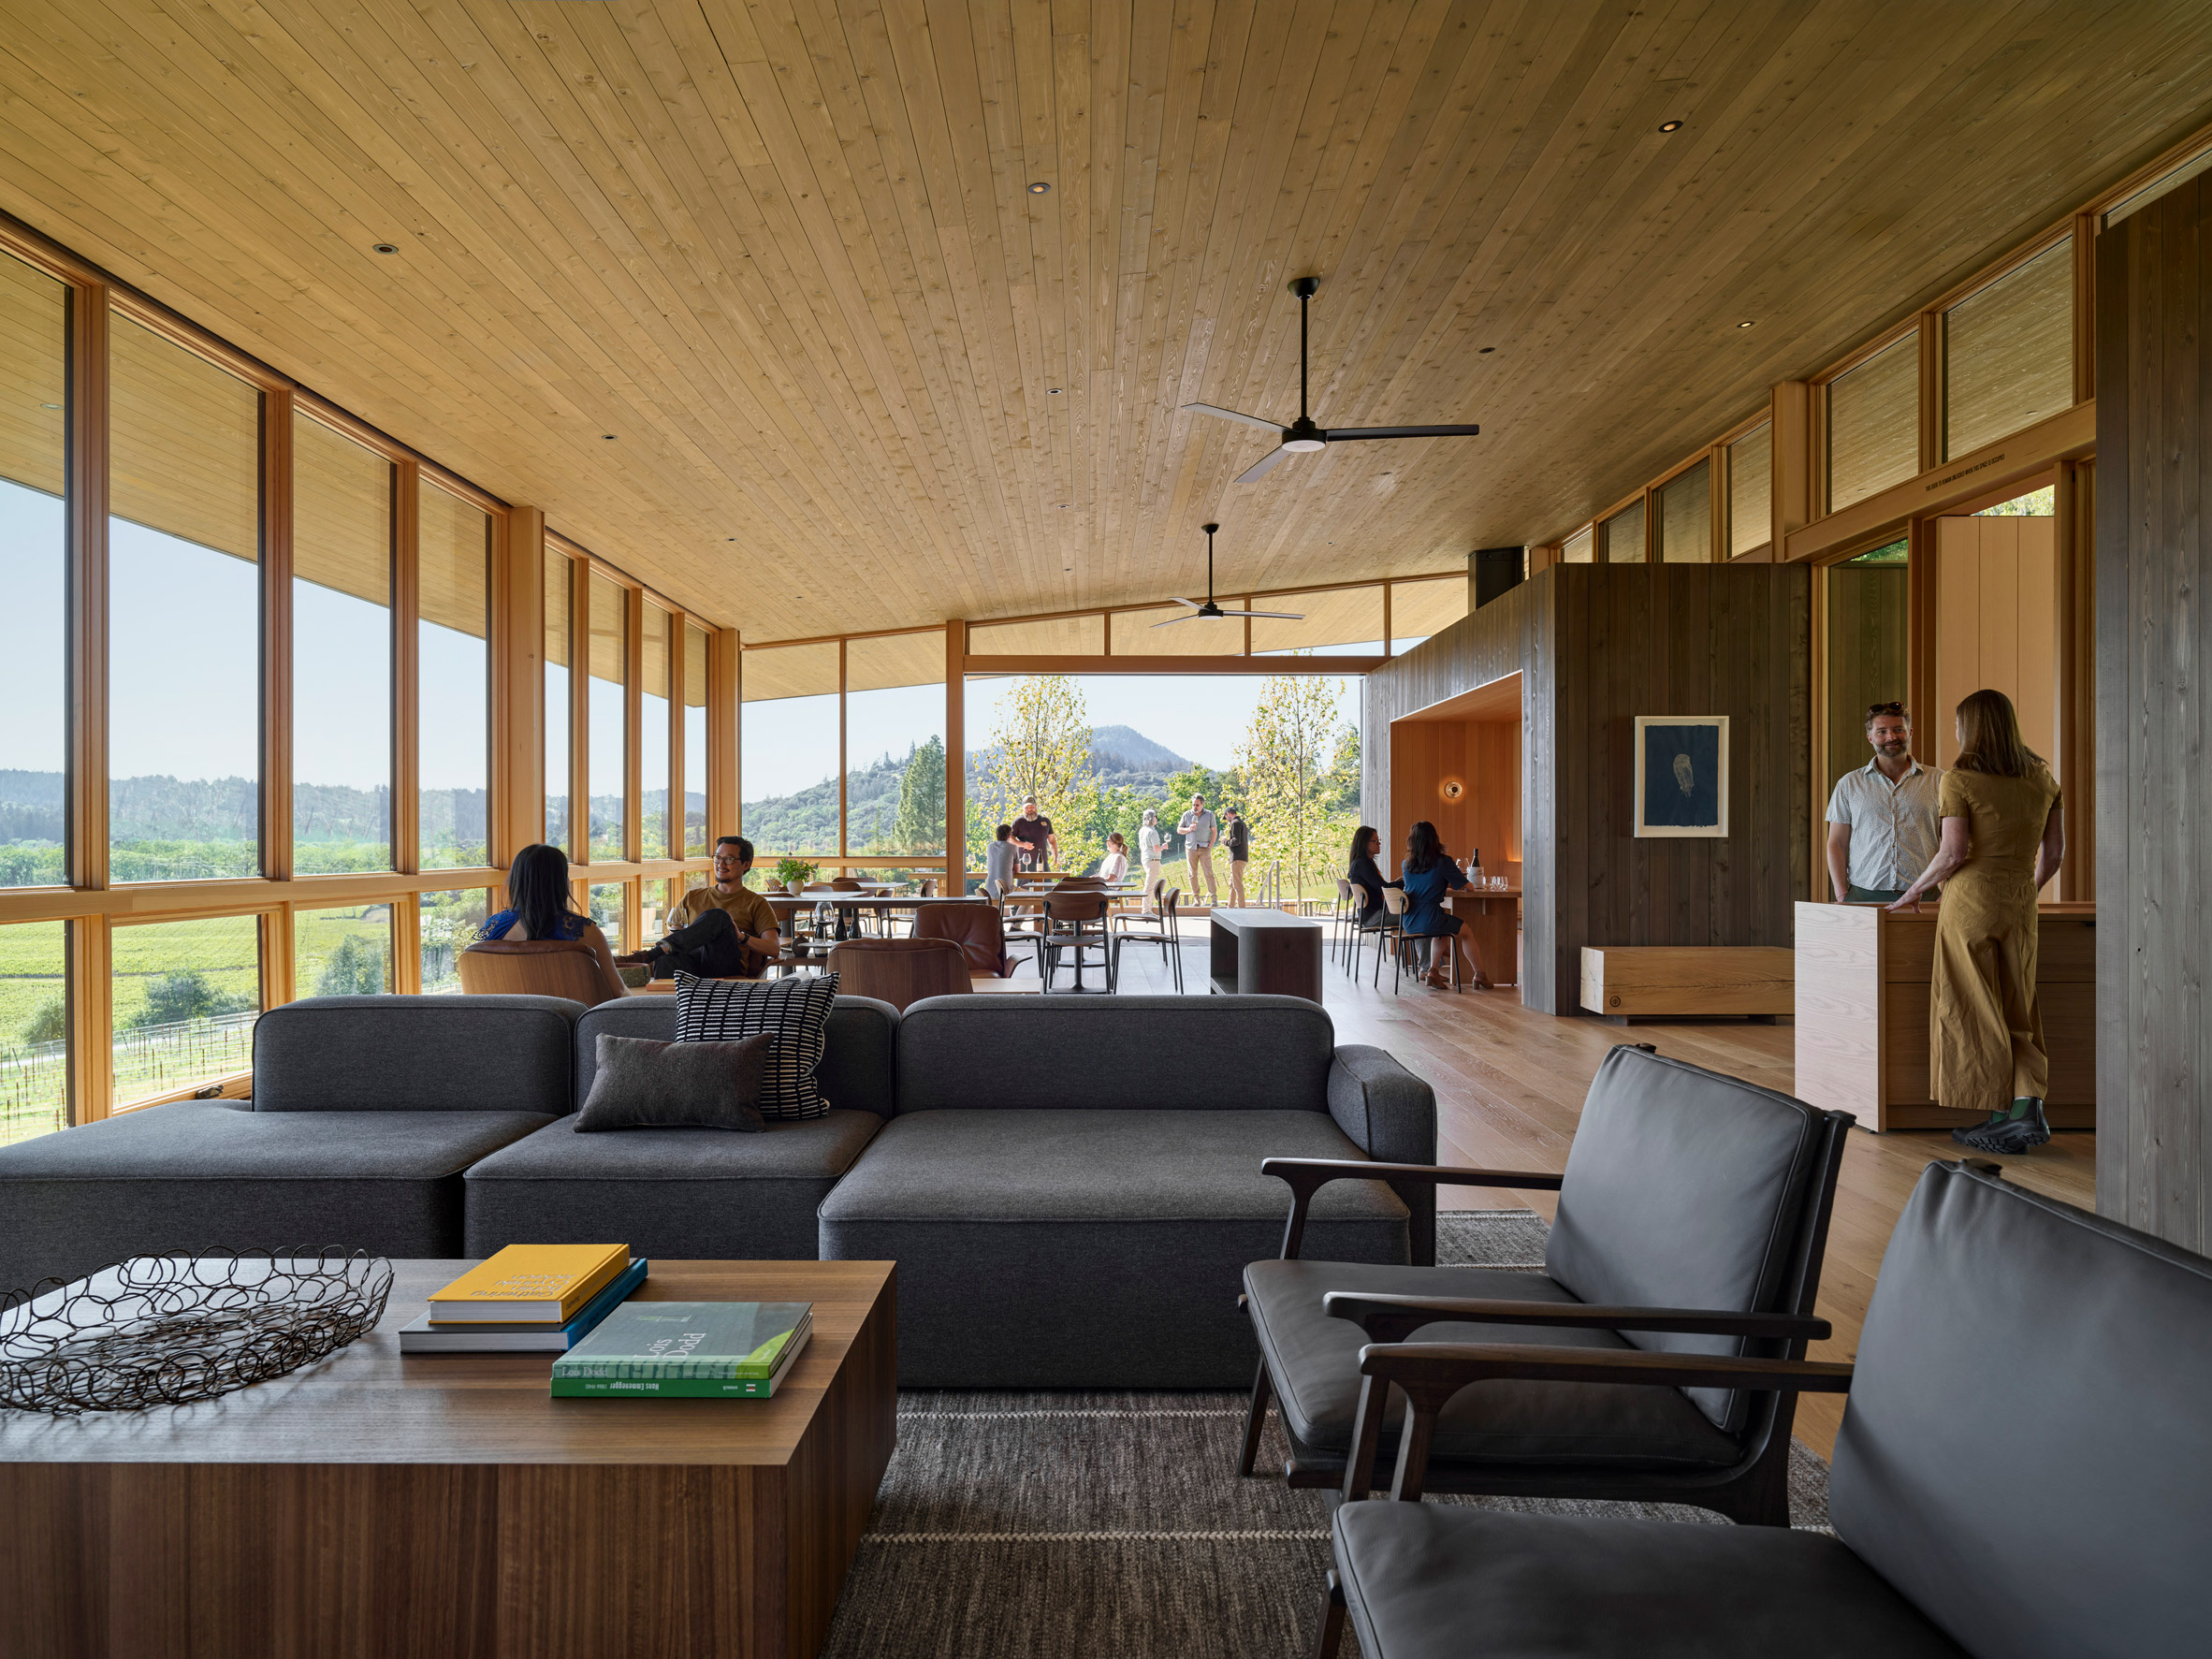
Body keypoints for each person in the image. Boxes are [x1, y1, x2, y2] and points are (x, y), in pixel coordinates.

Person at [1886, 689, 2064, 1155]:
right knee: (2019, 1005)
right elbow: (2054, 855)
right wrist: (2026, 891)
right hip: (2020, 902)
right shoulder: (2043, 777)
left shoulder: (1960, 779)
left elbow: (1952, 853)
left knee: (1974, 1003)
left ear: (1971, 727)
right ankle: (2023, 1108)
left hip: (1970, 903)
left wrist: (1913, 890)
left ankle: (2000, 1110)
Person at [618, 835, 781, 980]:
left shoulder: (757, 903)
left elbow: (774, 948)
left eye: (729, 859)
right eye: (718, 857)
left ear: (746, 865)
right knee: (666, 958)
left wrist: (740, 937)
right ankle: (665, 1004)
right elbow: (675, 935)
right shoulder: (692, 897)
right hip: (691, 964)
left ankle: (649, 955)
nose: (721, 864)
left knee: (719, 917)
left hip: (722, 966)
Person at [1826, 701, 1943, 903]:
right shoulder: (1849, 784)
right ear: (1870, 737)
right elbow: (1837, 842)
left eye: (1898, 729)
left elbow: (1954, 842)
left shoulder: (1939, 780)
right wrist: (1841, 894)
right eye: (1882, 732)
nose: (1891, 737)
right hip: (1862, 896)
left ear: (1910, 732)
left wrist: (1946, 893)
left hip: (1927, 896)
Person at [481, 843, 629, 997]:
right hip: (574, 1012)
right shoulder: (585, 931)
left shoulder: (494, 926)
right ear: (561, 882)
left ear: (515, 881)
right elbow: (616, 990)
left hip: (512, 1012)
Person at [1399, 820, 1477, 989]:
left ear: (1412, 840)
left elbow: (1422, 884)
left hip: (1409, 920)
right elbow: (1469, 887)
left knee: (1441, 933)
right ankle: (1479, 974)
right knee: (1466, 932)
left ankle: (1432, 971)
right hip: (1431, 918)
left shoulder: (1406, 864)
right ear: (1434, 839)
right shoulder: (1443, 861)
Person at [1347, 824, 1394, 926]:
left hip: (1368, 915)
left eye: (1378, 840)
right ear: (1364, 844)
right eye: (1375, 841)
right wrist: (1404, 882)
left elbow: (1381, 886)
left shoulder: (1359, 863)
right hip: (1375, 916)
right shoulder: (1363, 864)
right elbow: (1384, 888)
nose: (1379, 843)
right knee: (1414, 916)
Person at [1178, 793, 1219, 906]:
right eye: (1193, 805)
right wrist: (1188, 829)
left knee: (1208, 873)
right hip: (1191, 848)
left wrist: (1210, 846)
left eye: (1197, 805)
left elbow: (1214, 831)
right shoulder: (1186, 815)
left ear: (1202, 804)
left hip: (1205, 847)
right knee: (1192, 874)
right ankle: (1196, 899)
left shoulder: (1209, 814)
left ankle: (1214, 898)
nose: (1195, 807)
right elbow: (1179, 830)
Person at [1011, 796, 1057, 873]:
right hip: (1024, 863)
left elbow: (1052, 841)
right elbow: (1010, 839)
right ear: (1023, 808)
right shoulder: (1018, 822)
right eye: (1027, 808)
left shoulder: (1045, 821)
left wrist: (1056, 857)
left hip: (1043, 862)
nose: (1030, 810)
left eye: (1031, 807)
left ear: (1035, 805)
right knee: (1023, 882)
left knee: (1048, 881)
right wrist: (1023, 844)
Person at [1223, 807, 1251, 907]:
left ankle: (1241, 909)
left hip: (1237, 857)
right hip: (1242, 856)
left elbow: (1236, 841)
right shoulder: (1242, 823)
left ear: (1228, 814)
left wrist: (1225, 842)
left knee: (1237, 884)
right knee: (1232, 884)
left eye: (1225, 817)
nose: (1226, 820)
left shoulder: (1235, 823)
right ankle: (1230, 907)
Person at [1138, 808, 1164, 915]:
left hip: (1145, 859)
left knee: (1149, 885)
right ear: (1152, 818)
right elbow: (1156, 849)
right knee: (1150, 886)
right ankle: (1146, 910)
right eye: (1155, 816)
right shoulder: (1153, 832)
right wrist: (1164, 846)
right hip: (1153, 860)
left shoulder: (1142, 830)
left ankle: (1147, 909)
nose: (1156, 818)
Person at [984, 822, 1018, 901]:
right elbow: (1017, 869)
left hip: (989, 891)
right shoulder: (1013, 847)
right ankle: (1018, 911)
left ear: (997, 835)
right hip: (1007, 890)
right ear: (1009, 836)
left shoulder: (989, 847)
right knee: (1031, 897)